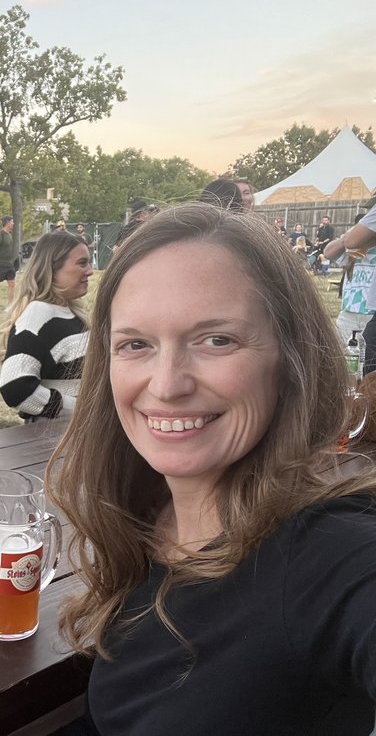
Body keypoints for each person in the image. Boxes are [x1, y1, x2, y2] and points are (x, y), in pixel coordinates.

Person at [49, 202, 376, 735]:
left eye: (216, 339)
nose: (166, 384)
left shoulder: (329, 550)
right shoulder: (144, 515)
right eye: (136, 344)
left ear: (290, 358)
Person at [0, 231, 92, 421]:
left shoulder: (70, 312)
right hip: (58, 436)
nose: (90, 271)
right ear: (52, 268)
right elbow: (14, 387)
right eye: (82, 263)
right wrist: (77, 409)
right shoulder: (38, 315)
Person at [325, 213, 375, 350]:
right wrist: (346, 240)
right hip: (349, 312)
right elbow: (328, 253)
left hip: (371, 314)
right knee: (341, 355)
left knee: (367, 358)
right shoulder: (351, 245)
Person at [339, 201, 376, 374]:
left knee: (367, 370)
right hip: (351, 312)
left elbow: (352, 240)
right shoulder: (352, 256)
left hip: (367, 313)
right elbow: (332, 251)